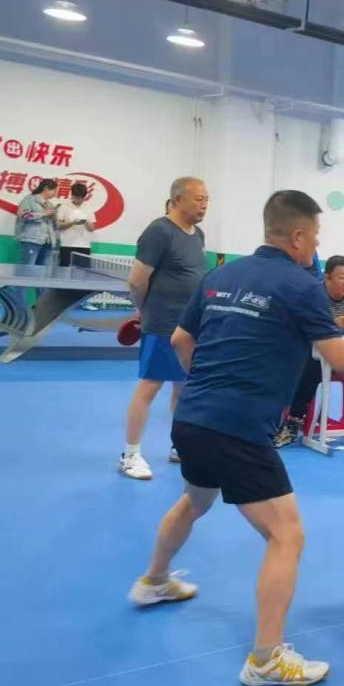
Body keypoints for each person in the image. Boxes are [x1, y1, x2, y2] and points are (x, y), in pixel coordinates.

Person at [127, 190, 344, 686]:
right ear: (299, 236)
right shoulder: (301, 285)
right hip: (239, 428)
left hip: (194, 417)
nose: (317, 246)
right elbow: (338, 355)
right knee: (287, 535)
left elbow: (181, 341)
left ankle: (154, 581)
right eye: (316, 236)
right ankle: (266, 659)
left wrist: (208, 383)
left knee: (195, 501)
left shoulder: (220, 276)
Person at [120, 177, 209, 480]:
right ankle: (130, 455)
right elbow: (136, 280)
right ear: (178, 199)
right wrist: (145, 310)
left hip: (190, 326)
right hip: (162, 324)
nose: (204, 205)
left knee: (184, 386)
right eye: (198, 199)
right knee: (150, 386)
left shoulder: (198, 234)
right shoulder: (159, 231)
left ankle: (179, 446)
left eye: (207, 200)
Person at [274, 255, 344, 446]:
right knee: (311, 365)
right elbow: (300, 330)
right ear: (327, 278)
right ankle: (293, 421)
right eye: (342, 277)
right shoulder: (313, 297)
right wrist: (332, 325)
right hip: (312, 355)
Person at [14, 178, 58, 267]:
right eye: (54, 190)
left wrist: (54, 217)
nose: (55, 193)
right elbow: (22, 215)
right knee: (27, 269)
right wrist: (43, 214)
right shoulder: (30, 199)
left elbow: (53, 224)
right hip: (32, 241)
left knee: (42, 272)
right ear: (46, 188)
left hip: (47, 242)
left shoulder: (49, 204)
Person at [55, 182, 97, 267]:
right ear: (72, 195)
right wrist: (73, 222)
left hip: (84, 245)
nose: (79, 200)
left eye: (82, 198)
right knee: (64, 271)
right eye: (77, 198)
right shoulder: (64, 206)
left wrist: (85, 222)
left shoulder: (88, 207)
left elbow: (92, 229)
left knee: (83, 272)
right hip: (67, 244)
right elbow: (59, 226)